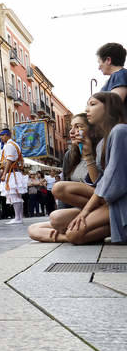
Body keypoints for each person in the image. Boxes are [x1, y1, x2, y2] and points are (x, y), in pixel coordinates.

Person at [29, 92, 127, 244]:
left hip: (115, 201)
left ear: (109, 108)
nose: (87, 109)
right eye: (87, 105)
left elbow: (109, 182)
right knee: (38, 227)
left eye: (93, 104)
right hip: (100, 201)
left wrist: (85, 213)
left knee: (74, 234)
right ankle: (76, 231)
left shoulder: (119, 131)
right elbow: (100, 183)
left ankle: (73, 234)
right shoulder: (87, 149)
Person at [55, 113, 102, 209]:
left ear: (92, 131)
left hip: (100, 202)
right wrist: (61, 211)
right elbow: (65, 182)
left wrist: (88, 154)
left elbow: (100, 185)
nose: (71, 131)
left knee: (58, 187)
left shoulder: (101, 149)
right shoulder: (69, 155)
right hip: (78, 207)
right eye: (71, 127)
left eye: (78, 127)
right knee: (53, 218)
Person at [0, 128, 27, 224]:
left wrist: (4, 174)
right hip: (14, 172)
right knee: (16, 196)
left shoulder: (9, 145)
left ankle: (18, 218)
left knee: (15, 196)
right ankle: (19, 217)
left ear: (7, 135)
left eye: (2, 135)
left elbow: (9, 161)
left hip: (12, 173)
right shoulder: (13, 144)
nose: (1, 137)